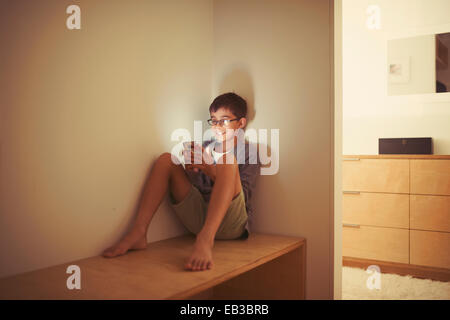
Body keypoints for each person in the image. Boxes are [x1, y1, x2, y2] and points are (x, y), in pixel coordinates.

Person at [102, 92, 261, 271]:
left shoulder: (249, 152)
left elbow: (244, 195)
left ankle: (205, 240)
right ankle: (139, 231)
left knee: (227, 161)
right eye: (213, 120)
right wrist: (191, 170)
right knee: (166, 160)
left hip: (232, 223)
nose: (217, 126)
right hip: (200, 217)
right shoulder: (207, 146)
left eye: (224, 120)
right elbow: (198, 188)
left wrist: (211, 170)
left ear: (241, 123)